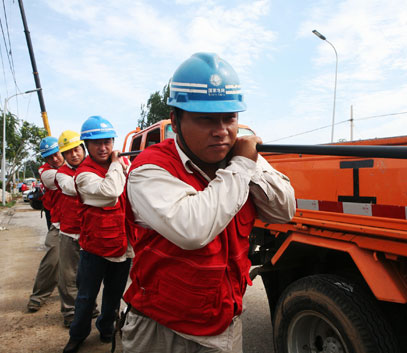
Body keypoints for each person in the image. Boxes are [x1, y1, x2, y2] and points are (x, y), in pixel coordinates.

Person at [122, 52, 296, 353]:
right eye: (206, 120)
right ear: (175, 121)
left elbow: (284, 208)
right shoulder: (150, 169)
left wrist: (248, 164)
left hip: (223, 325)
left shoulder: (239, 159)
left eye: (230, 119)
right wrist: (241, 165)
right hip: (161, 328)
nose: (222, 132)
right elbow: (193, 229)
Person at [63, 116, 132, 353]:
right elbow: (111, 192)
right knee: (86, 297)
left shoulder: (121, 167)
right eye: (96, 143)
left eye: (107, 142)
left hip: (122, 245)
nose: (103, 148)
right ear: (86, 146)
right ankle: (78, 335)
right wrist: (116, 165)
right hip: (94, 249)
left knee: (113, 296)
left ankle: (106, 328)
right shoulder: (83, 175)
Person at [55, 130, 95, 328]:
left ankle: (91, 308)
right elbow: (72, 188)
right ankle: (70, 313)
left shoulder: (92, 167)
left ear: (83, 148)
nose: (74, 154)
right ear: (64, 155)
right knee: (69, 276)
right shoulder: (62, 174)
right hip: (70, 233)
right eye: (68, 152)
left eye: (77, 149)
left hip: (90, 233)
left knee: (89, 276)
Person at [27, 136, 65, 312]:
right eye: (50, 157)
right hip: (59, 222)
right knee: (52, 258)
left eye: (56, 154)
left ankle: (80, 304)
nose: (55, 159)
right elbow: (69, 180)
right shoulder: (46, 172)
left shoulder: (76, 164)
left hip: (83, 222)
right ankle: (38, 295)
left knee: (79, 266)